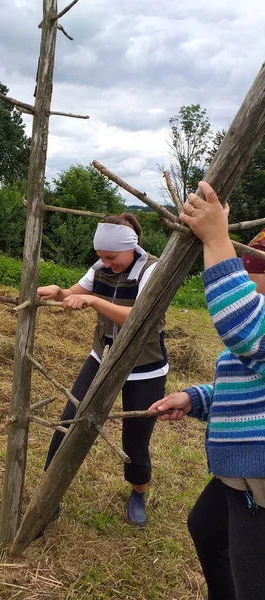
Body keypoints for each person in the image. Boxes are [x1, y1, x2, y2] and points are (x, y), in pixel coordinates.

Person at [149, 182, 265, 600]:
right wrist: (197, 398)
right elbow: (251, 379)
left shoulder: (257, 324)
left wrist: (217, 238)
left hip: (260, 483)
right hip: (242, 474)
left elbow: (246, 331)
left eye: (256, 288)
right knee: (207, 528)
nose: (253, 298)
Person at [37, 213, 168, 529]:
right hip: (102, 357)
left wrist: (93, 300)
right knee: (69, 420)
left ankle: (137, 492)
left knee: (134, 441)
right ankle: (47, 498)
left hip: (144, 367)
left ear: (130, 248)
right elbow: (74, 294)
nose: (106, 264)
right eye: (101, 258)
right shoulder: (100, 267)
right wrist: (59, 293)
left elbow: (136, 318)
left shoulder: (154, 270)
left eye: (111, 257)